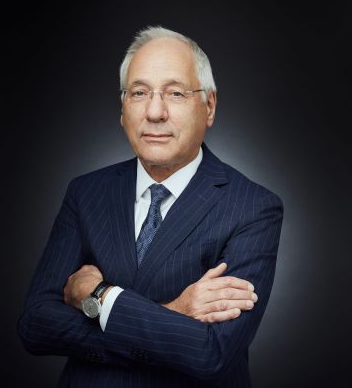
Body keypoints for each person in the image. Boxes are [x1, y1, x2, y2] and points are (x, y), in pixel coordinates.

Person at [18, 26, 284, 387]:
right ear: (123, 107)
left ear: (209, 106)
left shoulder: (253, 207)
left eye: (175, 93)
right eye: (140, 92)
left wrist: (100, 296)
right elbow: (35, 325)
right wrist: (173, 312)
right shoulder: (86, 192)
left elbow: (212, 353)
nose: (155, 112)